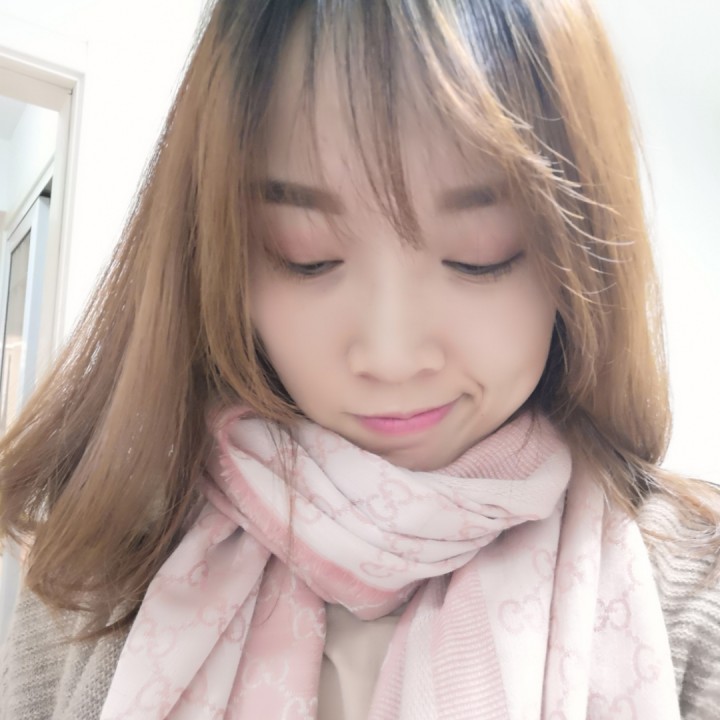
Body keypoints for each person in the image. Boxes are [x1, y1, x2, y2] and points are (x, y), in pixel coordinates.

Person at [1, 0, 719, 718]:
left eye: (480, 253)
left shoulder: (693, 596)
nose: (391, 356)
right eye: (305, 253)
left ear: (581, 255)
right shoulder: (102, 571)